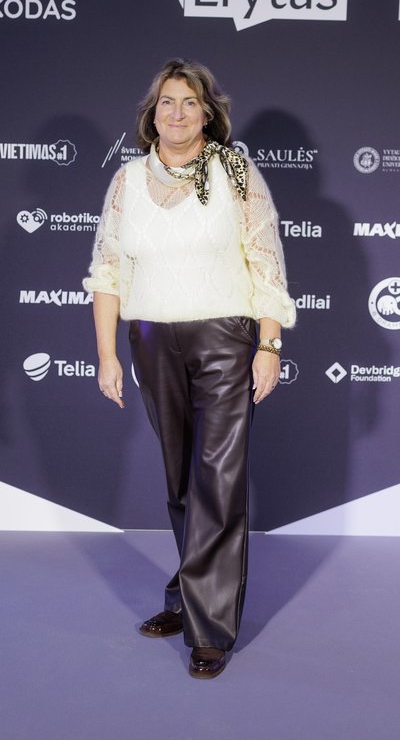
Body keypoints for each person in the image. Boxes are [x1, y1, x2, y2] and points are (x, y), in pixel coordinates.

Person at [83, 58, 296, 679]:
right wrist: (107, 354)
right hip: (151, 339)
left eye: (189, 102)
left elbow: (266, 262)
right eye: (166, 102)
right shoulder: (127, 180)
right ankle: (186, 596)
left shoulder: (236, 171)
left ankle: (210, 630)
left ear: (208, 113)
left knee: (218, 479)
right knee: (180, 478)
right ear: (152, 114)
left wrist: (269, 345)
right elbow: (108, 271)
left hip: (224, 338)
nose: (177, 113)